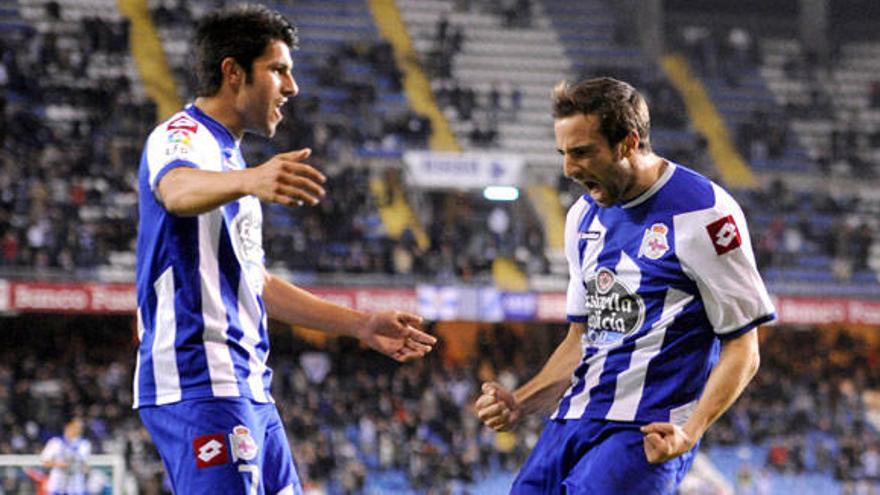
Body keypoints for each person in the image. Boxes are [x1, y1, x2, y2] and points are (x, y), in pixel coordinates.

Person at [133, 5, 437, 494]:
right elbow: (176, 190)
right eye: (279, 70)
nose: (292, 87)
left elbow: (257, 285)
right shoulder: (182, 137)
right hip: (201, 380)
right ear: (233, 72)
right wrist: (251, 180)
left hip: (249, 386)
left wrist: (358, 324)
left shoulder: (230, 159)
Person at [474, 77, 775, 494]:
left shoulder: (706, 213)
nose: (568, 169)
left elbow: (745, 348)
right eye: (563, 154)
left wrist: (690, 430)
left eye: (582, 152)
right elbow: (581, 338)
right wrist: (520, 402)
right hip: (573, 420)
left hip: (645, 430)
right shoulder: (582, 217)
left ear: (628, 143)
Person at [40, 418, 90, 495]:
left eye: (80, 427)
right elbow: (44, 461)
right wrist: (57, 464)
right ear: (68, 426)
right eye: (76, 427)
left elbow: (85, 464)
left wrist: (84, 468)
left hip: (76, 486)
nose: (78, 430)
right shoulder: (55, 442)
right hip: (58, 485)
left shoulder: (84, 444)